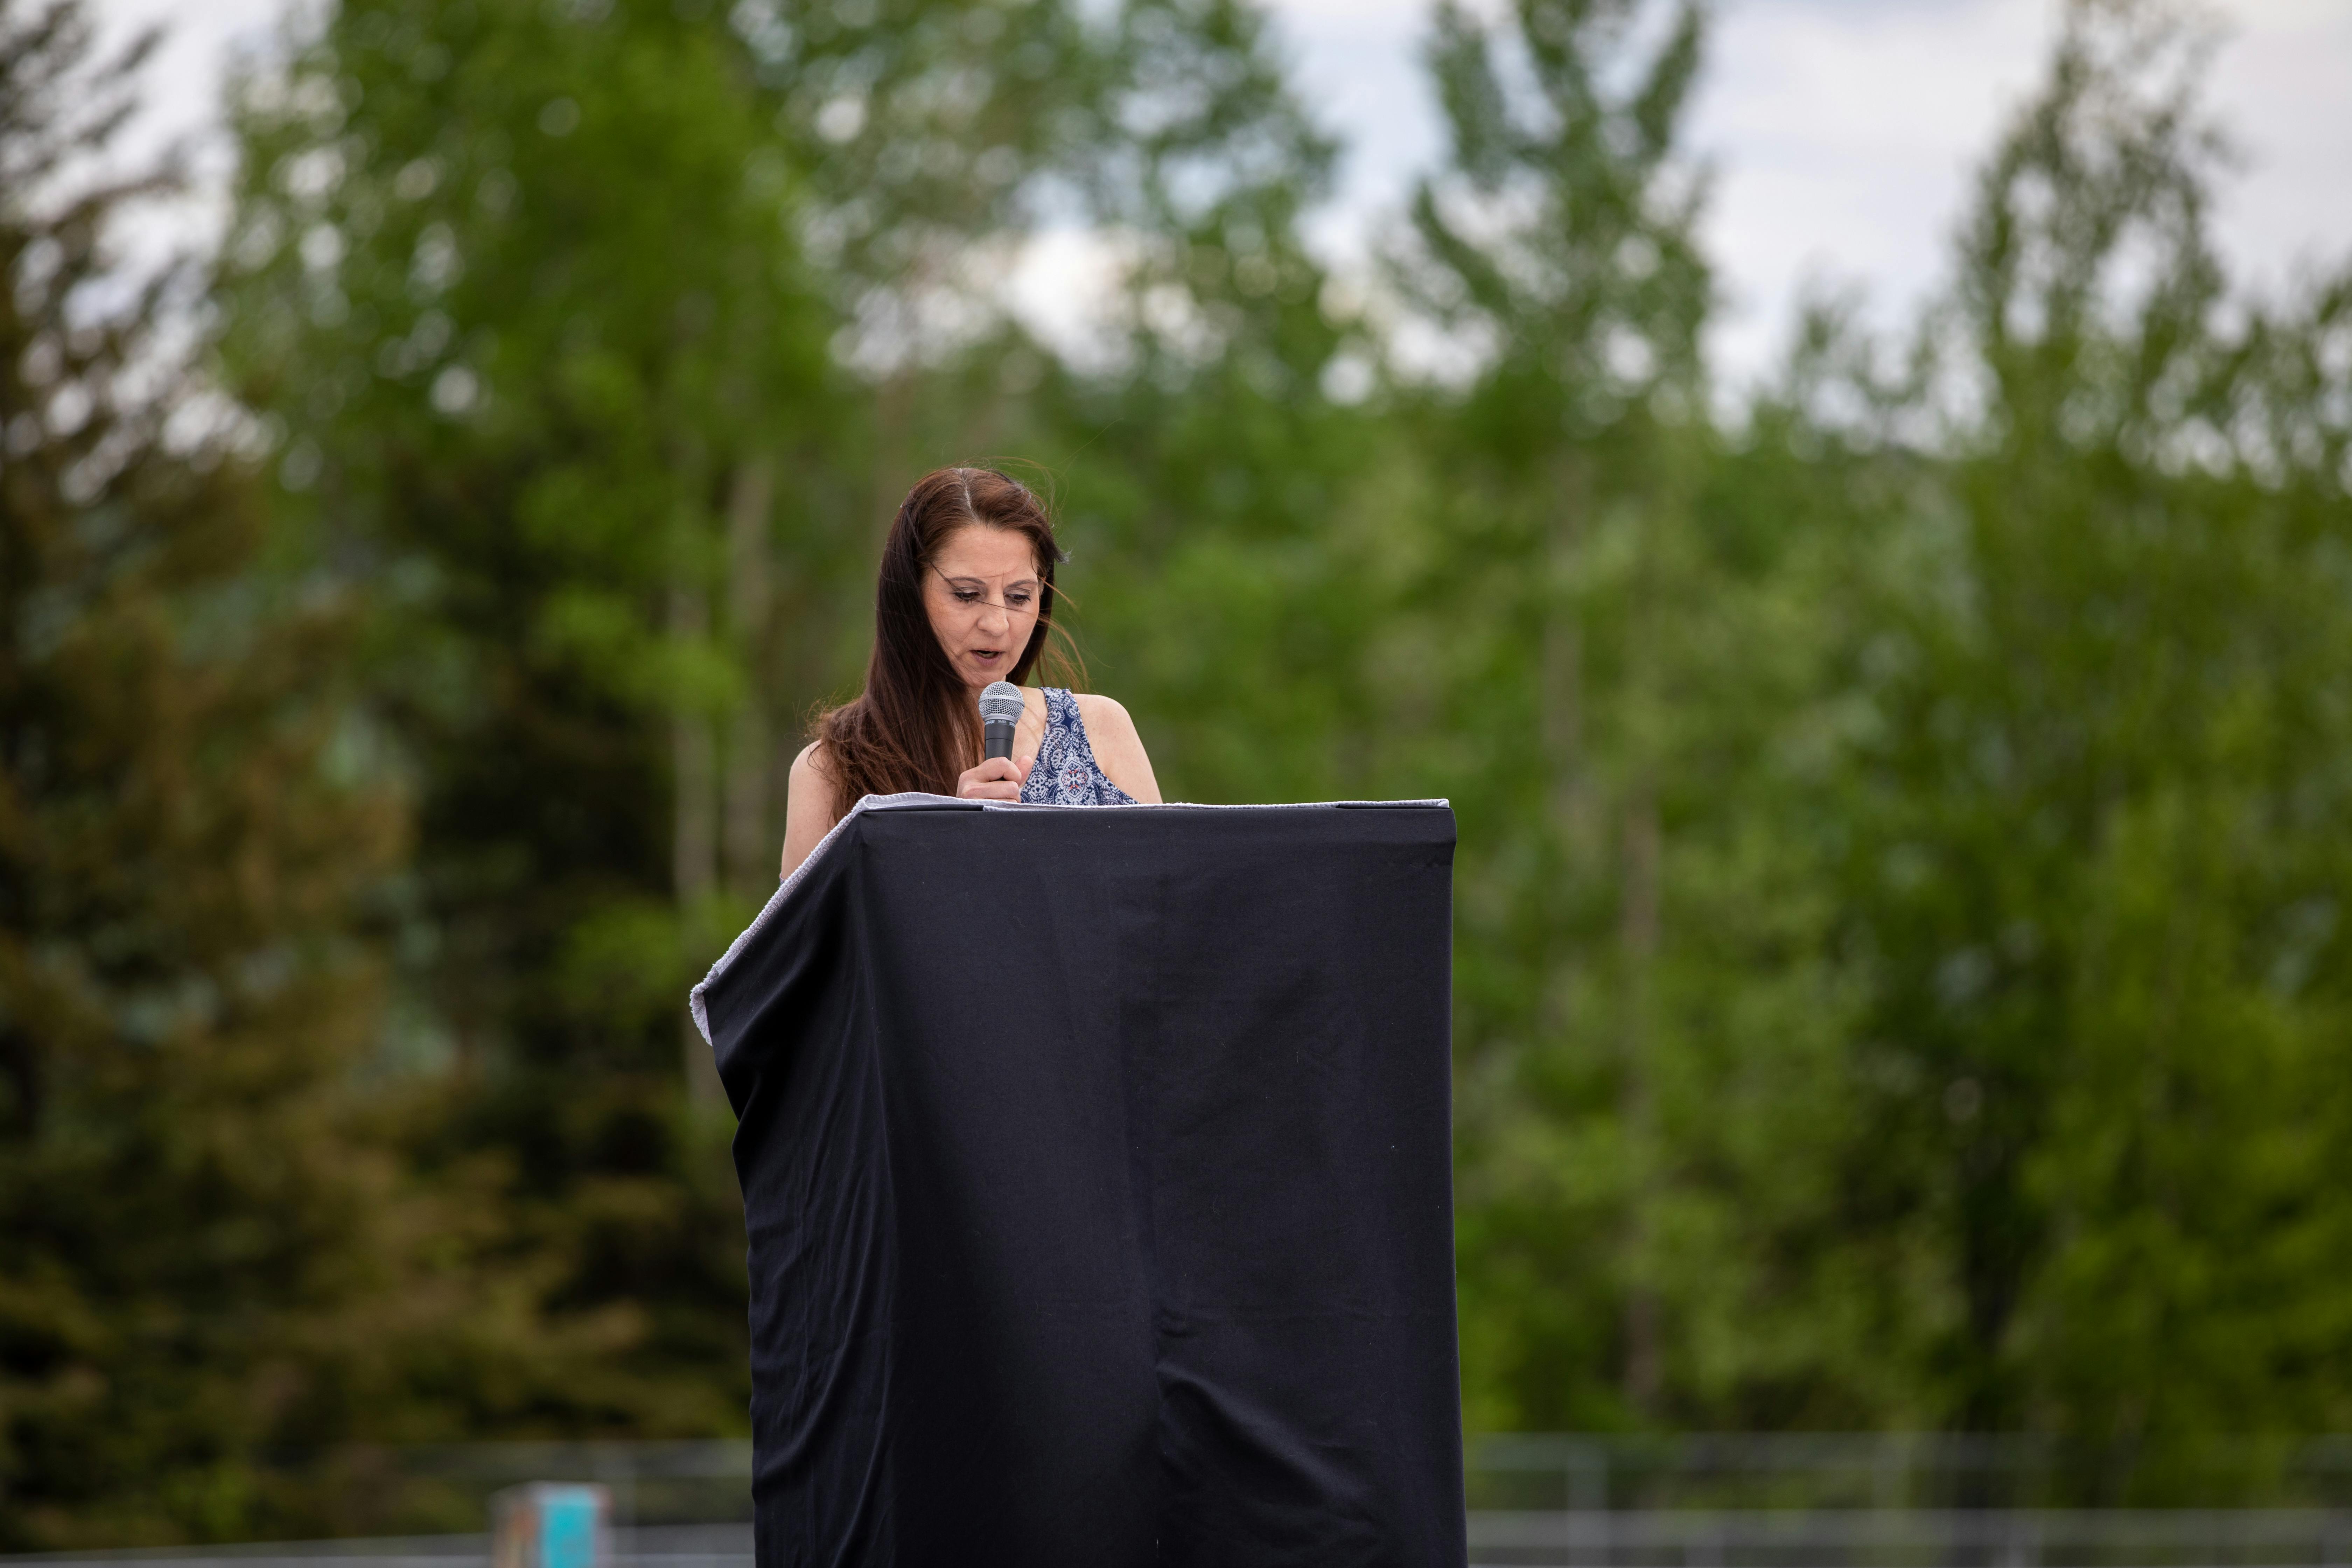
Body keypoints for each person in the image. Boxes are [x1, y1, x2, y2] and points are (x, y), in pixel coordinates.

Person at [779, 467, 1162, 878]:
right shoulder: (833, 769)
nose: (997, 624)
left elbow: (1169, 902)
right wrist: (954, 845)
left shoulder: (1102, 731)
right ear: (910, 594)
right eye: (966, 595)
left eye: (1019, 597)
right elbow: (812, 924)